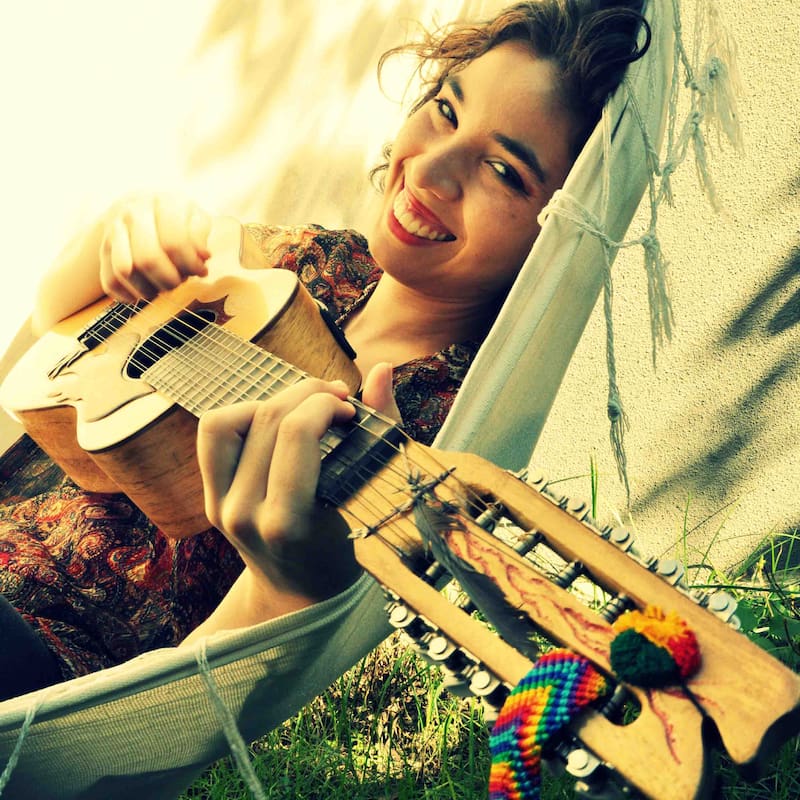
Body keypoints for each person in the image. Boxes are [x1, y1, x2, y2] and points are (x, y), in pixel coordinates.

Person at [0, 0, 650, 699]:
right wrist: (111, 243)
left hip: (51, 673)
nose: (431, 171)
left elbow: (147, 719)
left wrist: (286, 589)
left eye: (504, 171)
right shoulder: (312, 260)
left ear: (559, 237)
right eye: (446, 109)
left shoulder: (444, 425)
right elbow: (54, 341)